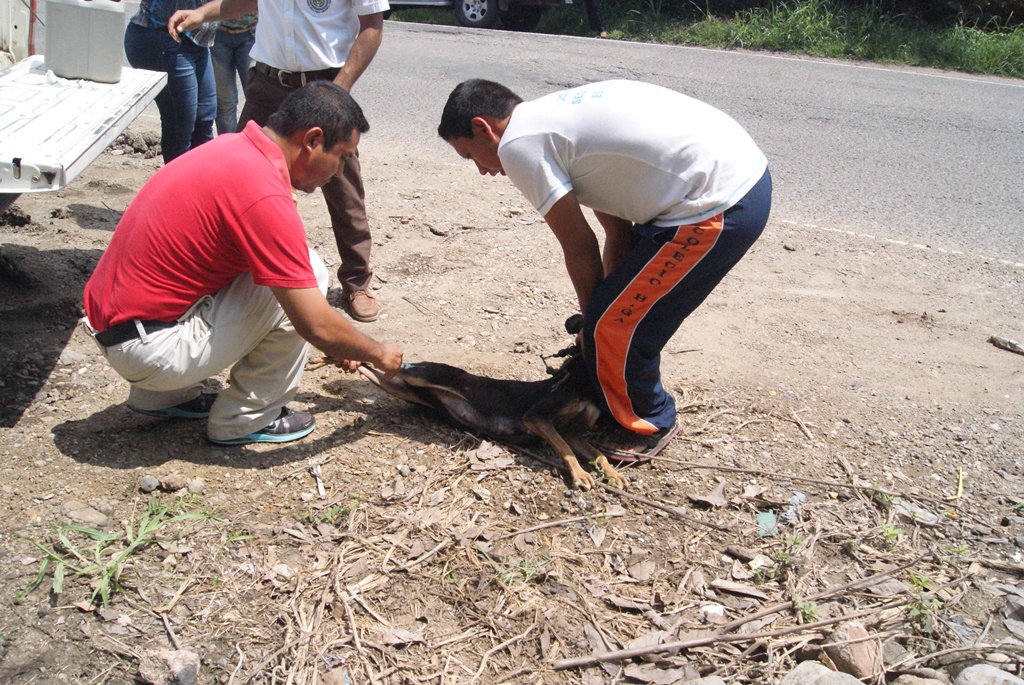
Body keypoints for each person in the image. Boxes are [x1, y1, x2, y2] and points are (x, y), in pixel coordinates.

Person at [438, 79, 771, 461]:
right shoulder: (557, 124)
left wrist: (593, 327)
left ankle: (650, 421)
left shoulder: (517, 144)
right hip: (738, 173)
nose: (481, 170)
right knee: (611, 316)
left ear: (483, 128)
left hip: (717, 204)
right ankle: (616, 382)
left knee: (611, 328)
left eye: (470, 156)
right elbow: (616, 231)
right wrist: (602, 312)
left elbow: (578, 244)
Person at [82, 82, 403, 446]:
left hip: (118, 330)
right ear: (312, 140)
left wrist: (343, 344)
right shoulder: (262, 192)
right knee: (309, 272)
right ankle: (245, 418)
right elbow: (314, 323)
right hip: (150, 351)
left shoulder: (232, 147)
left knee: (280, 271)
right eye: (343, 156)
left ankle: (164, 396)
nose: (340, 171)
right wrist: (376, 352)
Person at [167, 0, 388, 323]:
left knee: (342, 186)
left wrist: (338, 90)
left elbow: (372, 26)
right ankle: (215, 271)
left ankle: (356, 281)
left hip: (325, 82)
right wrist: (203, 14)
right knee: (236, 174)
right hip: (269, 84)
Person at [124, 0, 217, 163]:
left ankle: (199, 186)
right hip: (162, 37)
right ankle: (177, 187)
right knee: (180, 130)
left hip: (197, 42)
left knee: (203, 123)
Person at [211, 13, 258, 136]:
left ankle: (256, 150)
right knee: (225, 103)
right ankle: (228, 150)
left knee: (256, 99)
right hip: (218, 33)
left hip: (251, 32)